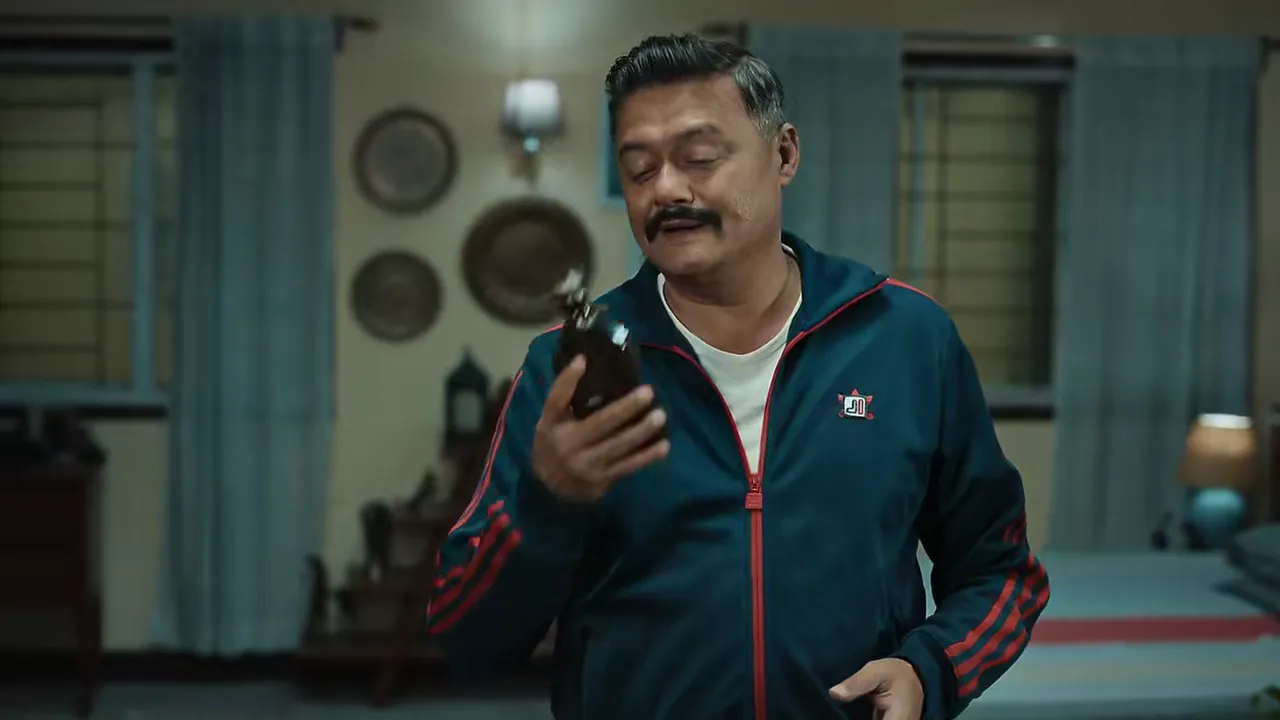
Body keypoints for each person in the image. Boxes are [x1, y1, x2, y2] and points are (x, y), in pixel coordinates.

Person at [428, 33, 1050, 720]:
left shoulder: (906, 338)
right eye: (638, 169)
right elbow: (465, 638)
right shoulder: (566, 369)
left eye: (700, 157)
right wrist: (548, 502)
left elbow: (1001, 571)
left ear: (784, 155)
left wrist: (928, 672)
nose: (667, 189)